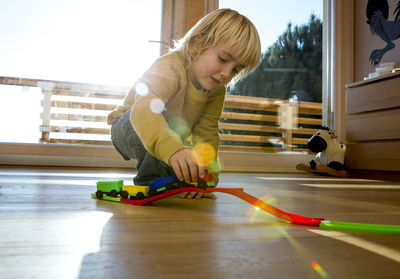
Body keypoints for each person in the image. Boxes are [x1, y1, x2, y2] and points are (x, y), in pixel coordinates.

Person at [107, 8, 261, 199]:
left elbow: (207, 133)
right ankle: (150, 180)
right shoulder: (170, 67)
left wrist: (204, 176)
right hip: (128, 126)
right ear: (197, 43)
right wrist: (175, 150)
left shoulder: (216, 90)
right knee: (164, 131)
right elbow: (143, 112)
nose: (226, 74)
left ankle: (172, 175)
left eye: (235, 70)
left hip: (168, 132)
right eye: (222, 59)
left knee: (180, 146)